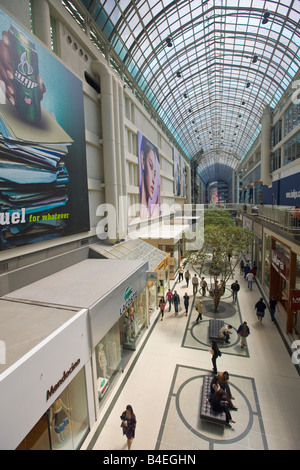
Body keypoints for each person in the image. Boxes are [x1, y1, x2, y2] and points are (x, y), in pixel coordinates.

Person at [139, 136, 161, 219]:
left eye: (155, 174)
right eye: (150, 166)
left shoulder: (154, 210)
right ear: (142, 160)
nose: (153, 180)